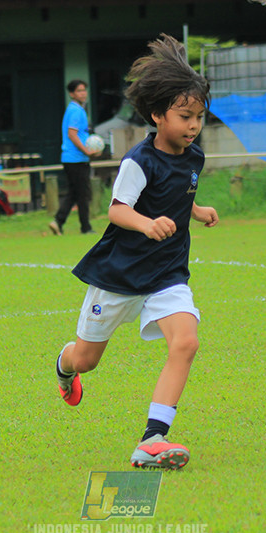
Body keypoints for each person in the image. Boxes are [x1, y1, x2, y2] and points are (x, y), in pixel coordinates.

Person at [53, 34, 219, 470]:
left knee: (186, 342)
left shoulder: (193, 157)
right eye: (185, 116)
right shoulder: (137, 162)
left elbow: (179, 195)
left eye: (199, 116)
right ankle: (64, 365)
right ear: (156, 115)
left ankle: (153, 438)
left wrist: (196, 210)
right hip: (120, 275)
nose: (193, 125)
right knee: (87, 360)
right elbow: (117, 210)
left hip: (167, 274)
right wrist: (146, 223)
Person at [49, 79, 99, 235]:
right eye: (79, 90)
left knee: (74, 193)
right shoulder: (76, 111)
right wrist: (86, 150)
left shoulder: (74, 109)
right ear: (71, 94)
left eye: (84, 90)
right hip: (76, 159)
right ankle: (86, 227)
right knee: (82, 194)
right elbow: (72, 134)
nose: (83, 93)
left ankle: (58, 221)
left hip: (73, 159)